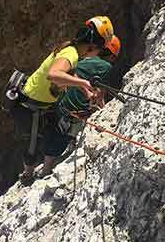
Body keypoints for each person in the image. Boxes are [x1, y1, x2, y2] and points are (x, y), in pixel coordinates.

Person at [13, 16, 117, 185]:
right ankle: (27, 174)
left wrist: (85, 90)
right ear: (93, 46)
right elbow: (54, 74)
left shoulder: (72, 50)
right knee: (33, 141)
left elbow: (70, 72)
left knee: (55, 129)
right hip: (31, 104)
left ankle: (39, 170)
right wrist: (83, 82)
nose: (99, 54)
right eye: (100, 49)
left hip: (43, 102)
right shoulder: (71, 53)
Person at [36, 35, 121, 177]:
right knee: (63, 135)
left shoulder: (82, 57)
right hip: (74, 110)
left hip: (59, 101)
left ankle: (46, 167)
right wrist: (104, 112)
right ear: (112, 56)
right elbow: (99, 94)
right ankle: (47, 169)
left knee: (54, 133)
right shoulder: (106, 67)